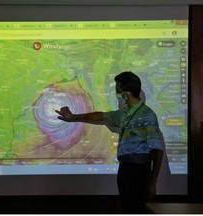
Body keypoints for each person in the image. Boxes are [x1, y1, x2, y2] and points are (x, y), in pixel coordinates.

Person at [55, 71, 164, 213]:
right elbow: (101, 116)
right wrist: (73, 117)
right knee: (127, 209)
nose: (118, 96)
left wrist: (153, 183)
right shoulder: (124, 114)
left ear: (126, 94)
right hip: (125, 170)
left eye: (118, 92)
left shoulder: (147, 115)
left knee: (136, 210)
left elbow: (158, 151)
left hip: (139, 171)